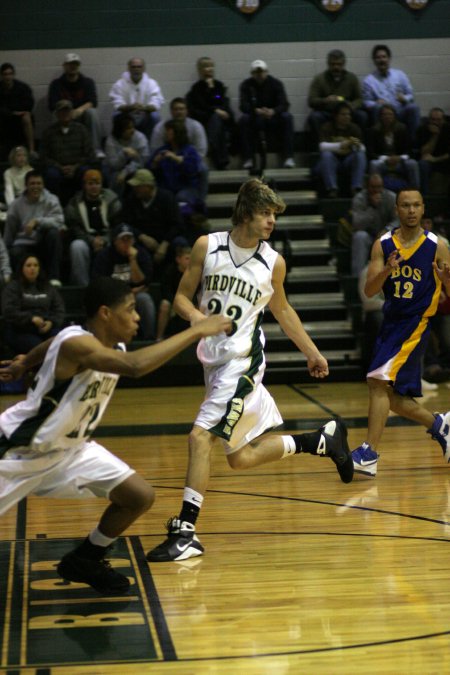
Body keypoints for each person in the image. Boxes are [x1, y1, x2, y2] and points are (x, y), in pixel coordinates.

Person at [147, 178, 353, 563]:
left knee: (199, 438)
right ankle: (320, 441)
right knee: (238, 458)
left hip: (242, 364)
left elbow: (283, 310)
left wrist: (313, 352)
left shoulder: (273, 262)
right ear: (245, 213)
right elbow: (179, 297)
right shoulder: (207, 246)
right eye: (265, 212)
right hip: (214, 361)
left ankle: (186, 532)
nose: (271, 220)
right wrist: (198, 320)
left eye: (274, 214)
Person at [0, 275, 231, 594]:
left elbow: (50, 343)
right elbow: (134, 366)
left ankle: (86, 559)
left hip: (70, 451)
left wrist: (26, 360)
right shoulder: (78, 344)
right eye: (131, 309)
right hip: (18, 451)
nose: (138, 317)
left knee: (138, 496)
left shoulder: (99, 342)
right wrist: (196, 330)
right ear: (106, 313)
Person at [351, 188, 450, 477]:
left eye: (416, 205)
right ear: (396, 209)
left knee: (377, 381)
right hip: (390, 321)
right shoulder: (383, 244)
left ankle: (368, 453)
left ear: (423, 209)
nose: (411, 210)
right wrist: (386, 271)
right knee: (391, 398)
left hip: (416, 322)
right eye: (405, 205)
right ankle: (439, 425)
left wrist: (446, 280)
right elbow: (369, 291)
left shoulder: (438, 245)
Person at [92, 223, 156, 340]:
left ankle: (149, 339)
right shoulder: (104, 256)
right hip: (111, 297)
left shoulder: (141, 254)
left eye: (129, 239)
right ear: (115, 241)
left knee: (145, 299)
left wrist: (132, 260)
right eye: (123, 239)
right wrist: (126, 293)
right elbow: (99, 284)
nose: (127, 243)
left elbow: (143, 282)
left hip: (136, 295)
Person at [4, 169, 64, 284]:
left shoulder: (52, 200)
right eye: (32, 184)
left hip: (43, 243)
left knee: (54, 234)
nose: (36, 186)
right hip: (23, 244)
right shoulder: (16, 205)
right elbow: (9, 232)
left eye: (39, 183)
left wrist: (38, 221)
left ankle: (54, 278)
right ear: (26, 185)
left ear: (43, 185)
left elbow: (59, 220)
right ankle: (20, 285)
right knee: (14, 252)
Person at [65, 169, 122, 286]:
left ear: (101, 185)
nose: (94, 187)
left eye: (97, 184)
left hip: (108, 238)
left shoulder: (112, 200)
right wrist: (91, 241)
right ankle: (82, 286)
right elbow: (75, 228)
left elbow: (117, 225)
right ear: (84, 185)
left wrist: (105, 240)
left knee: (118, 244)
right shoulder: (75, 203)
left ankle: (112, 284)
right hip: (86, 239)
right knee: (77, 246)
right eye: (90, 184)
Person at [122, 168, 183, 275]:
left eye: (138, 186)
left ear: (148, 186)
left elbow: (177, 224)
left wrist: (164, 244)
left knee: (180, 243)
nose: (135, 189)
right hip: (143, 241)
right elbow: (125, 223)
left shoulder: (167, 197)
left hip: (165, 239)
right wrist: (142, 236)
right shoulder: (132, 199)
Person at [2, 254, 65, 354]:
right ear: (22, 268)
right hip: (20, 330)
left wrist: (51, 322)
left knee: (62, 342)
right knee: (39, 347)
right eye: (29, 265)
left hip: (46, 328)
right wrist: (31, 318)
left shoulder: (48, 287)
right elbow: (8, 311)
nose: (33, 268)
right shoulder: (13, 287)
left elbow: (59, 309)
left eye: (36, 265)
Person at [238, 60, 295, 169]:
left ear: (267, 72)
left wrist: (273, 111)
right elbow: (243, 106)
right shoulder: (246, 85)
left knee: (287, 117)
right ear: (252, 73)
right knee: (244, 119)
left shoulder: (276, 83)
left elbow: (284, 104)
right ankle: (248, 158)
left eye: (262, 72)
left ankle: (289, 157)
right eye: (256, 72)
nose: (260, 75)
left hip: (273, 117)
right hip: (255, 118)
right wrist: (255, 111)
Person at [150, 97, 208, 201]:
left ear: (187, 111)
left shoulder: (196, 126)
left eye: (181, 109)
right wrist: (156, 160)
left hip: (188, 157)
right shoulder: (160, 127)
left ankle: (200, 200)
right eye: (176, 109)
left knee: (202, 168)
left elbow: (201, 152)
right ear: (171, 111)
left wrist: (181, 158)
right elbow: (155, 150)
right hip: (167, 159)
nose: (179, 112)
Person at [40, 99, 96, 206]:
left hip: (78, 167)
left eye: (67, 111)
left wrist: (75, 167)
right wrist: (59, 167)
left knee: (87, 172)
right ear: (56, 114)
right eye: (62, 111)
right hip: (57, 168)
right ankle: (54, 206)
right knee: (51, 175)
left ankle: (85, 204)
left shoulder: (82, 130)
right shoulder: (48, 132)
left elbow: (89, 154)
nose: (65, 114)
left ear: (72, 113)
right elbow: (43, 156)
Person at [307, 49, 367, 147]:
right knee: (314, 117)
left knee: (362, 116)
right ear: (328, 64)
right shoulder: (319, 79)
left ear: (343, 64)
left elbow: (359, 99)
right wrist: (325, 100)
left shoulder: (352, 78)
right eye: (333, 64)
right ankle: (319, 149)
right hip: (327, 112)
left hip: (347, 112)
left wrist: (351, 106)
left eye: (339, 64)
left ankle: (360, 146)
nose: (336, 67)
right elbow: (311, 100)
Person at [47, 53, 103, 156]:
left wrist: (79, 110)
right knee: (54, 115)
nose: (73, 66)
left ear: (78, 66)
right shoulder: (56, 84)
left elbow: (93, 102)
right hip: (63, 113)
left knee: (92, 113)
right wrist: (67, 111)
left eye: (75, 64)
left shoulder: (87, 82)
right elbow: (52, 105)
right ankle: (56, 151)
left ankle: (95, 149)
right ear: (64, 66)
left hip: (81, 115)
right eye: (70, 64)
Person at [362, 45, 421, 142]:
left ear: (389, 59)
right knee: (377, 108)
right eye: (378, 57)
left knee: (414, 108)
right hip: (382, 113)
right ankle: (380, 147)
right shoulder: (369, 80)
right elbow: (366, 102)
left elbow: (411, 95)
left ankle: (414, 147)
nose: (381, 60)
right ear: (374, 61)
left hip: (399, 111)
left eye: (384, 57)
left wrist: (404, 98)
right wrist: (376, 103)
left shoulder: (400, 75)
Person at [186, 57, 235, 170]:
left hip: (219, 119)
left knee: (219, 122)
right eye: (206, 67)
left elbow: (220, 100)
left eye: (211, 66)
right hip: (203, 118)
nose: (209, 69)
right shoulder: (196, 88)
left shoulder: (219, 86)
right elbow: (202, 105)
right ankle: (222, 161)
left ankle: (212, 147)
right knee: (217, 120)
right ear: (200, 70)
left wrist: (214, 91)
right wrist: (215, 108)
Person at [148, 120, 203, 215]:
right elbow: (150, 170)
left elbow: (193, 170)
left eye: (169, 131)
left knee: (181, 198)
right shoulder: (162, 150)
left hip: (186, 187)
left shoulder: (190, 151)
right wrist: (155, 162)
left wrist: (177, 159)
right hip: (166, 187)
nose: (166, 133)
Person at [316, 101, 366, 198]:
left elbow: (363, 148)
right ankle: (332, 188)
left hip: (348, 161)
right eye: (343, 114)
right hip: (331, 162)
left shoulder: (354, 128)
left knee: (360, 154)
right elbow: (322, 146)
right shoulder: (327, 127)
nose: (347, 117)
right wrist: (342, 145)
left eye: (349, 114)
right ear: (336, 116)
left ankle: (356, 188)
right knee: (326, 155)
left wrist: (355, 146)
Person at [351, 173, 398, 276]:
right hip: (368, 235)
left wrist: (386, 230)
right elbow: (357, 223)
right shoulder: (359, 199)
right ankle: (357, 277)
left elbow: (398, 220)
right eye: (373, 187)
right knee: (359, 237)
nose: (377, 190)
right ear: (367, 187)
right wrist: (372, 208)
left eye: (379, 187)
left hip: (385, 234)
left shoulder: (391, 197)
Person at [367, 104, 419, 192]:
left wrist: (399, 158)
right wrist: (386, 158)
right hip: (383, 162)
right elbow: (370, 152)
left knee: (412, 164)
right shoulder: (374, 131)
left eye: (390, 114)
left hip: (400, 161)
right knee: (374, 164)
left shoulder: (402, 129)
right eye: (384, 114)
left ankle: (415, 191)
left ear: (394, 116)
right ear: (380, 117)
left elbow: (409, 150)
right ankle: (375, 191)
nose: (387, 117)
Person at [109, 58, 164, 141]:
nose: (136, 69)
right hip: (127, 115)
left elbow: (156, 103)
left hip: (145, 115)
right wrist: (131, 107)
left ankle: (151, 145)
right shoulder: (119, 84)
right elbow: (117, 104)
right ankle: (119, 142)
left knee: (155, 116)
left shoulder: (152, 83)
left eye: (139, 67)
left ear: (144, 68)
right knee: (116, 115)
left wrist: (144, 108)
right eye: (133, 67)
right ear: (129, 68)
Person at [104, 113, 149, 195]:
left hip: (135, 168)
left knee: (138, 175)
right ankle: (116, 203)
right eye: (128, 128)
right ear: (120, 130)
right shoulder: (111, 140)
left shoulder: (140, 138)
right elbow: (113, 165)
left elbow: (143, 162)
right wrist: (123, 153)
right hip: (116, 170)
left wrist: (125, 171)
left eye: (133, 127)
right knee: (115, 177)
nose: (132, 130)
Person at [155, 245, 191, 340]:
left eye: (192, 258)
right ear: (178, 259)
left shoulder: (194, 273)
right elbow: (166, 291)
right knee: (164, 304)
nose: (190, 261)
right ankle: (159, 338)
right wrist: (176, 304)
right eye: (187, 258)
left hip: (190, 302)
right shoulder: (170, 272)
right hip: (172, 302)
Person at [0, 63, 35, 156]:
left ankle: (31, 150)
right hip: (4, 117)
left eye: (10, 74)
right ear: (1, 75)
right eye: (5, 74)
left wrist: (17, 112)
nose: (8, 77)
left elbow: (29, 103)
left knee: (27, 117)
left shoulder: (23, 87)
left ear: (13, 74)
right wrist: (11, 113)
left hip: (20, 116)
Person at [416, 107, 450, 195]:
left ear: (443, 120)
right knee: (423, 164)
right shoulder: (422, 129)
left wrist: (436, 159)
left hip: (444, 160)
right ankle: (425, 196)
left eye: (438, 120)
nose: (435, 122)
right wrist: (435, 136)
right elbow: (424, 153)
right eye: (433, 119)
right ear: (428, 120)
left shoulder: (448, 128)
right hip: (429, 161)